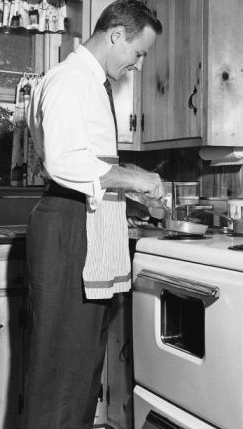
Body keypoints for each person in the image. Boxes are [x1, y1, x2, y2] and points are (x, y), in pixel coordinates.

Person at [22, 1, 163, 428]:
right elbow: (66, 162)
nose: (138, 65)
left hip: (85, 224)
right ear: (116, 35)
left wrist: (130, 197)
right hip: (69, 226)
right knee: (60, 369)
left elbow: (90, 164)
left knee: (82, 368)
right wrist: (136, 178)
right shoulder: (70, 80)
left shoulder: (91, 83)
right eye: (138, 53)